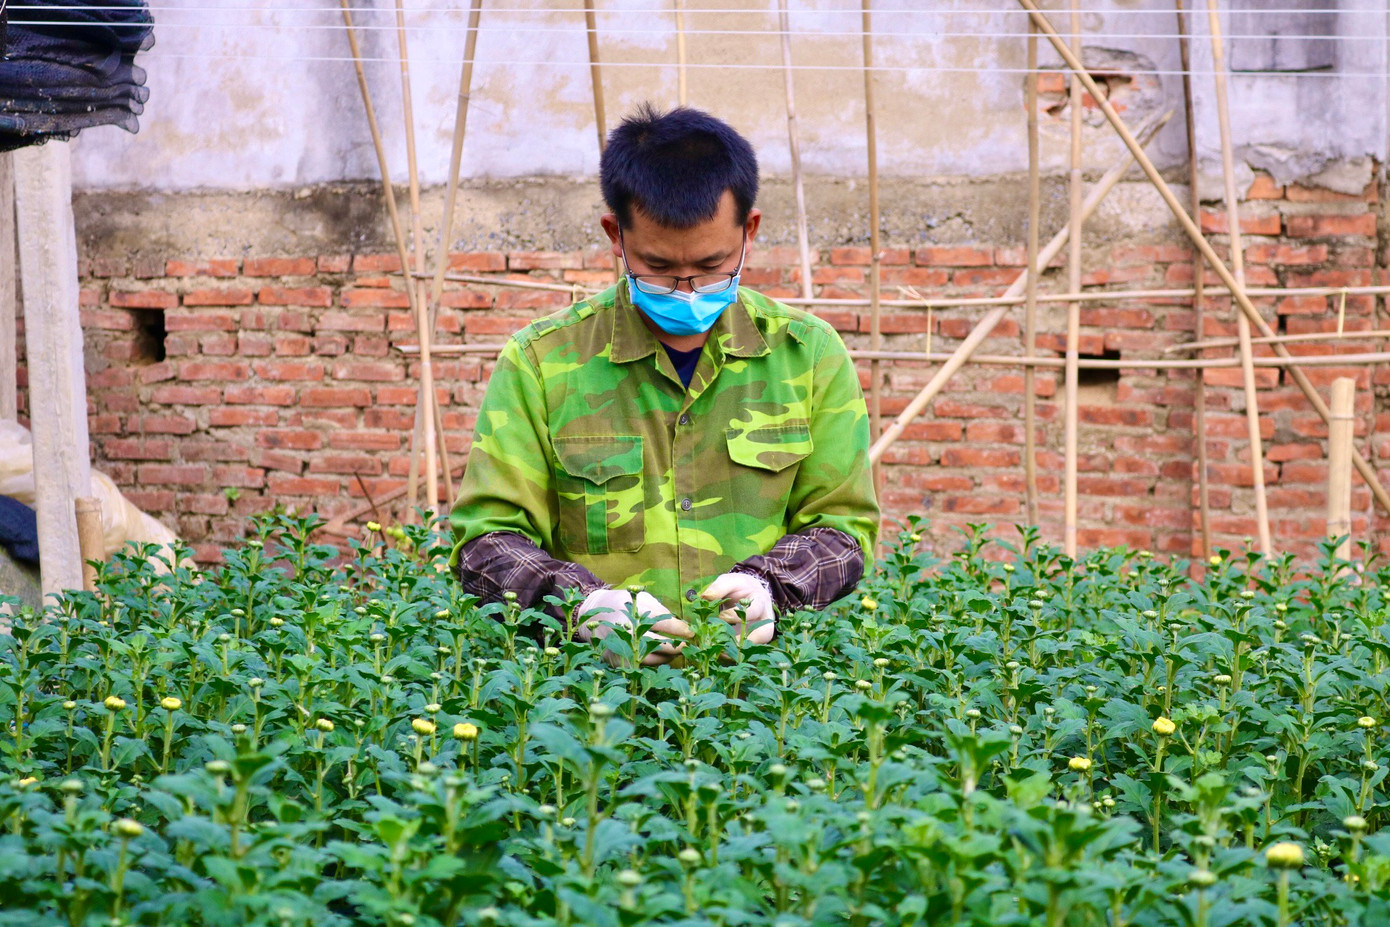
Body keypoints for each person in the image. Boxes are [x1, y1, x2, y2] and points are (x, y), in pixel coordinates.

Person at [448, 104, 879, 665]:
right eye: (656, 267)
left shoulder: (808, 355)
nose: (686, 289)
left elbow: (844, 529)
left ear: (749, 231)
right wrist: (580, 606)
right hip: (590, 701)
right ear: (615, 235)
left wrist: (771, 586)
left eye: (711, 265)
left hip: (765, 701)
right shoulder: (542, 362)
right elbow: (485, 543)